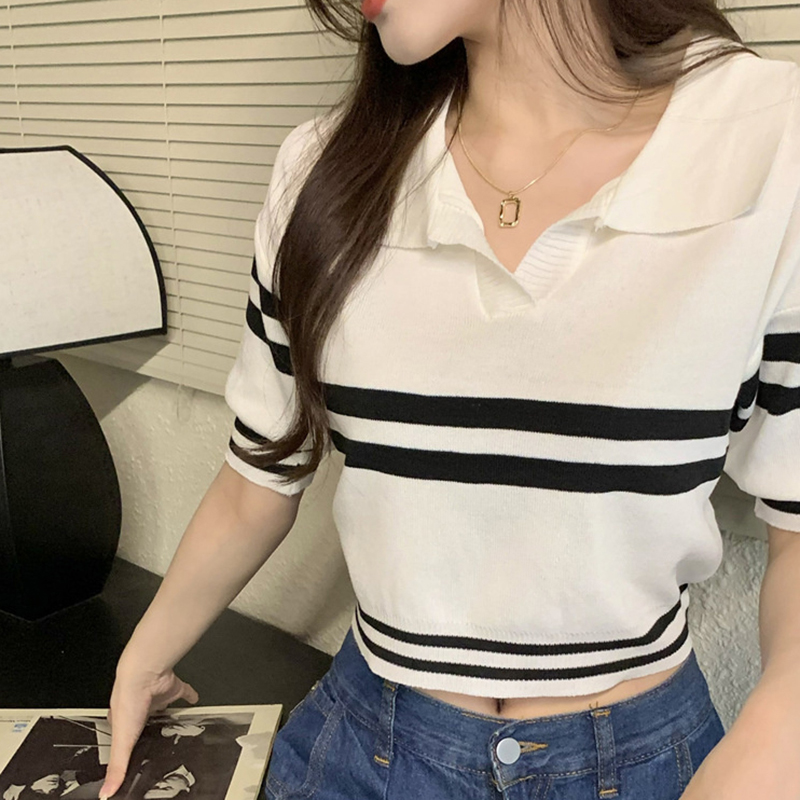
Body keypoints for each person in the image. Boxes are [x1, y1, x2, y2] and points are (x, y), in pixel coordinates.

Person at [97, 0, 800, 798]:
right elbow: (259, 474)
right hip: (365, 749)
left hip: (646, 763)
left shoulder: (768, 142)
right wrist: (141, 660)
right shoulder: (323, 172)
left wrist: (778, 735)